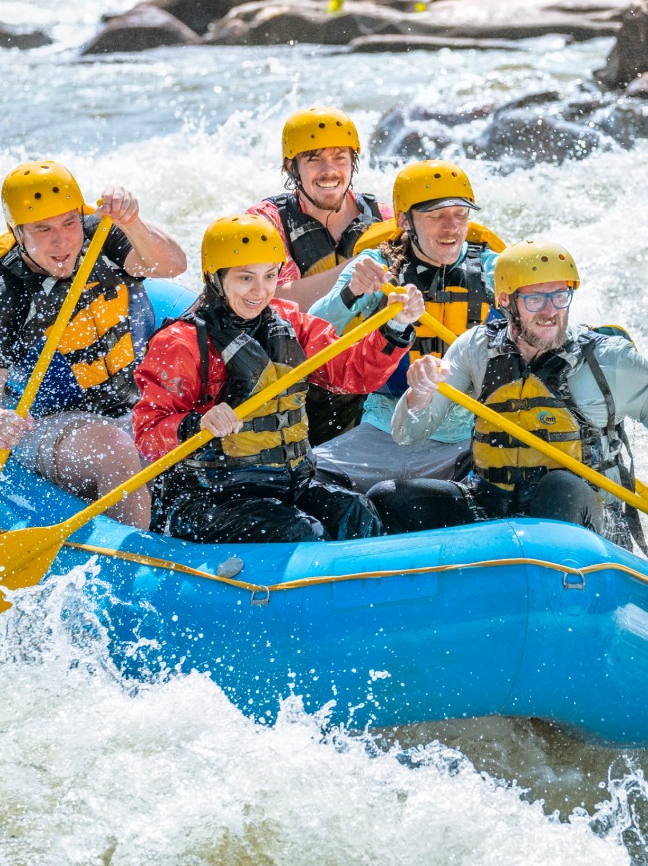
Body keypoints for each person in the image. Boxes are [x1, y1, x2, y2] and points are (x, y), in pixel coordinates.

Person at [370, 239, 648, 545]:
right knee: (389, 498)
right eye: (535, 299)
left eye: (559, 296)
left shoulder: (610, 359)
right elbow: (406, 435)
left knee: (559, 489)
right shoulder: (476, 348)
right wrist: (421, 394)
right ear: (505, 301)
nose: (550, 311)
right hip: (492, 505)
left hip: (588, 516)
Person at [132, 214, 426, 543]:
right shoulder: (181, 343)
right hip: (210, 498)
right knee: (301, 532)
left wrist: (396, 326)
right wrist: (196, 424)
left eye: (270, 276)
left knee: (355, 514)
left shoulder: (288, 321)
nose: (260, 291)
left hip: (290, 483)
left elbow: (350, 373)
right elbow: (146, 432)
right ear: (215, 277)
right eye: (246, 278)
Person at [0, 160, 186, 528]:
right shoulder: (2, 293)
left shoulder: (102, 236)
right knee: (115, 450)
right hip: (54, 424)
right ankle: (138, 566)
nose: (61, 240)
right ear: (18, 234)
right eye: (42, 229)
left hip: (134, 402)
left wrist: (131, 222)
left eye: (69, 223)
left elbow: (173, 265)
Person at [309, 160, 505, 493]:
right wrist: (351, 291)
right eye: (436, 216)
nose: (451, 228)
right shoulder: (378, 266)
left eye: (460, 215)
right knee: (303, 479)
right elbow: (312, 331)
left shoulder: (493, 270)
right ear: (405, 220)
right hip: (383, 432)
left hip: (466, 439)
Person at [247, 107, 392, 442]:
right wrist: (355, 269)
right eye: (313, 158)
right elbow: (268, 299)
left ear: (353, 162)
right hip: (299, 375)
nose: (330, 171)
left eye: (340, 157)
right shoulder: (266, 221)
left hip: (371, 376)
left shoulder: (386, 218)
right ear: (291, 167)